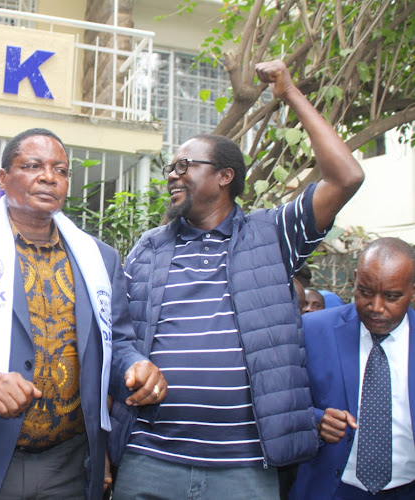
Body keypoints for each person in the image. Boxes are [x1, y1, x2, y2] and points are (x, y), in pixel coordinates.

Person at [113, 59, 365, 500]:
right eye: (170, 167)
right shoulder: (149, 247)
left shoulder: (272, 236)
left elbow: (346, 177)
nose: (172, 174)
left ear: (225, 177)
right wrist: (133, 363)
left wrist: (289, 94)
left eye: (185, 164)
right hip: (150, 459)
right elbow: (118, 335)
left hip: (244, 469)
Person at [0, 128, 166, 499]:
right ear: (3, 178)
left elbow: (116, 341)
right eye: (33, 165)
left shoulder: (98, 258)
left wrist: (135, 368)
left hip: (67, 465)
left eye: (60, 169)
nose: (48, 176)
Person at [291, 237, 415, 499]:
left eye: (392, 296)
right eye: (365, 292)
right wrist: (315, 420)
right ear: (356, 279)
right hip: (329, 488)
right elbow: (280, 399)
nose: (376, 307)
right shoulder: (313, 330)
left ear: (413, 290)